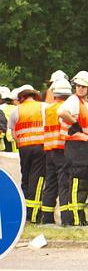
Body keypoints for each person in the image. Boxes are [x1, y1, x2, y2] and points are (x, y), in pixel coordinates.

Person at [58, 71, 88, 226]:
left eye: (83, 86)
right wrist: (75, 123)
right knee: (76, 181)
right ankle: (74, 219)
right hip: (77, 148)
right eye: (78, 86)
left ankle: (79, 216)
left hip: (85, 146)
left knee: (83, 182)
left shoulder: (86, 104)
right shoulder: (73, 100)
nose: (80, 89)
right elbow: (61, 112)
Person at [8, 85, 46, 223]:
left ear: (22, 97)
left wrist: (21, 142)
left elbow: (13, 132)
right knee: (37, 179)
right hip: (41, 147)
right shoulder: (43, 107)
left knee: (26, 178)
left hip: (24, 148)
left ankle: (24, 211)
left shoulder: (16, 110)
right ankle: (34, 214)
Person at [41, 78, 73, 224]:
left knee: (51, 184)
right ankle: (66, 219)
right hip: (62, 150)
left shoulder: (48, 109)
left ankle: (47, 218)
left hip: (49, 150)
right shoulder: (66, 109)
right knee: (64, 184)